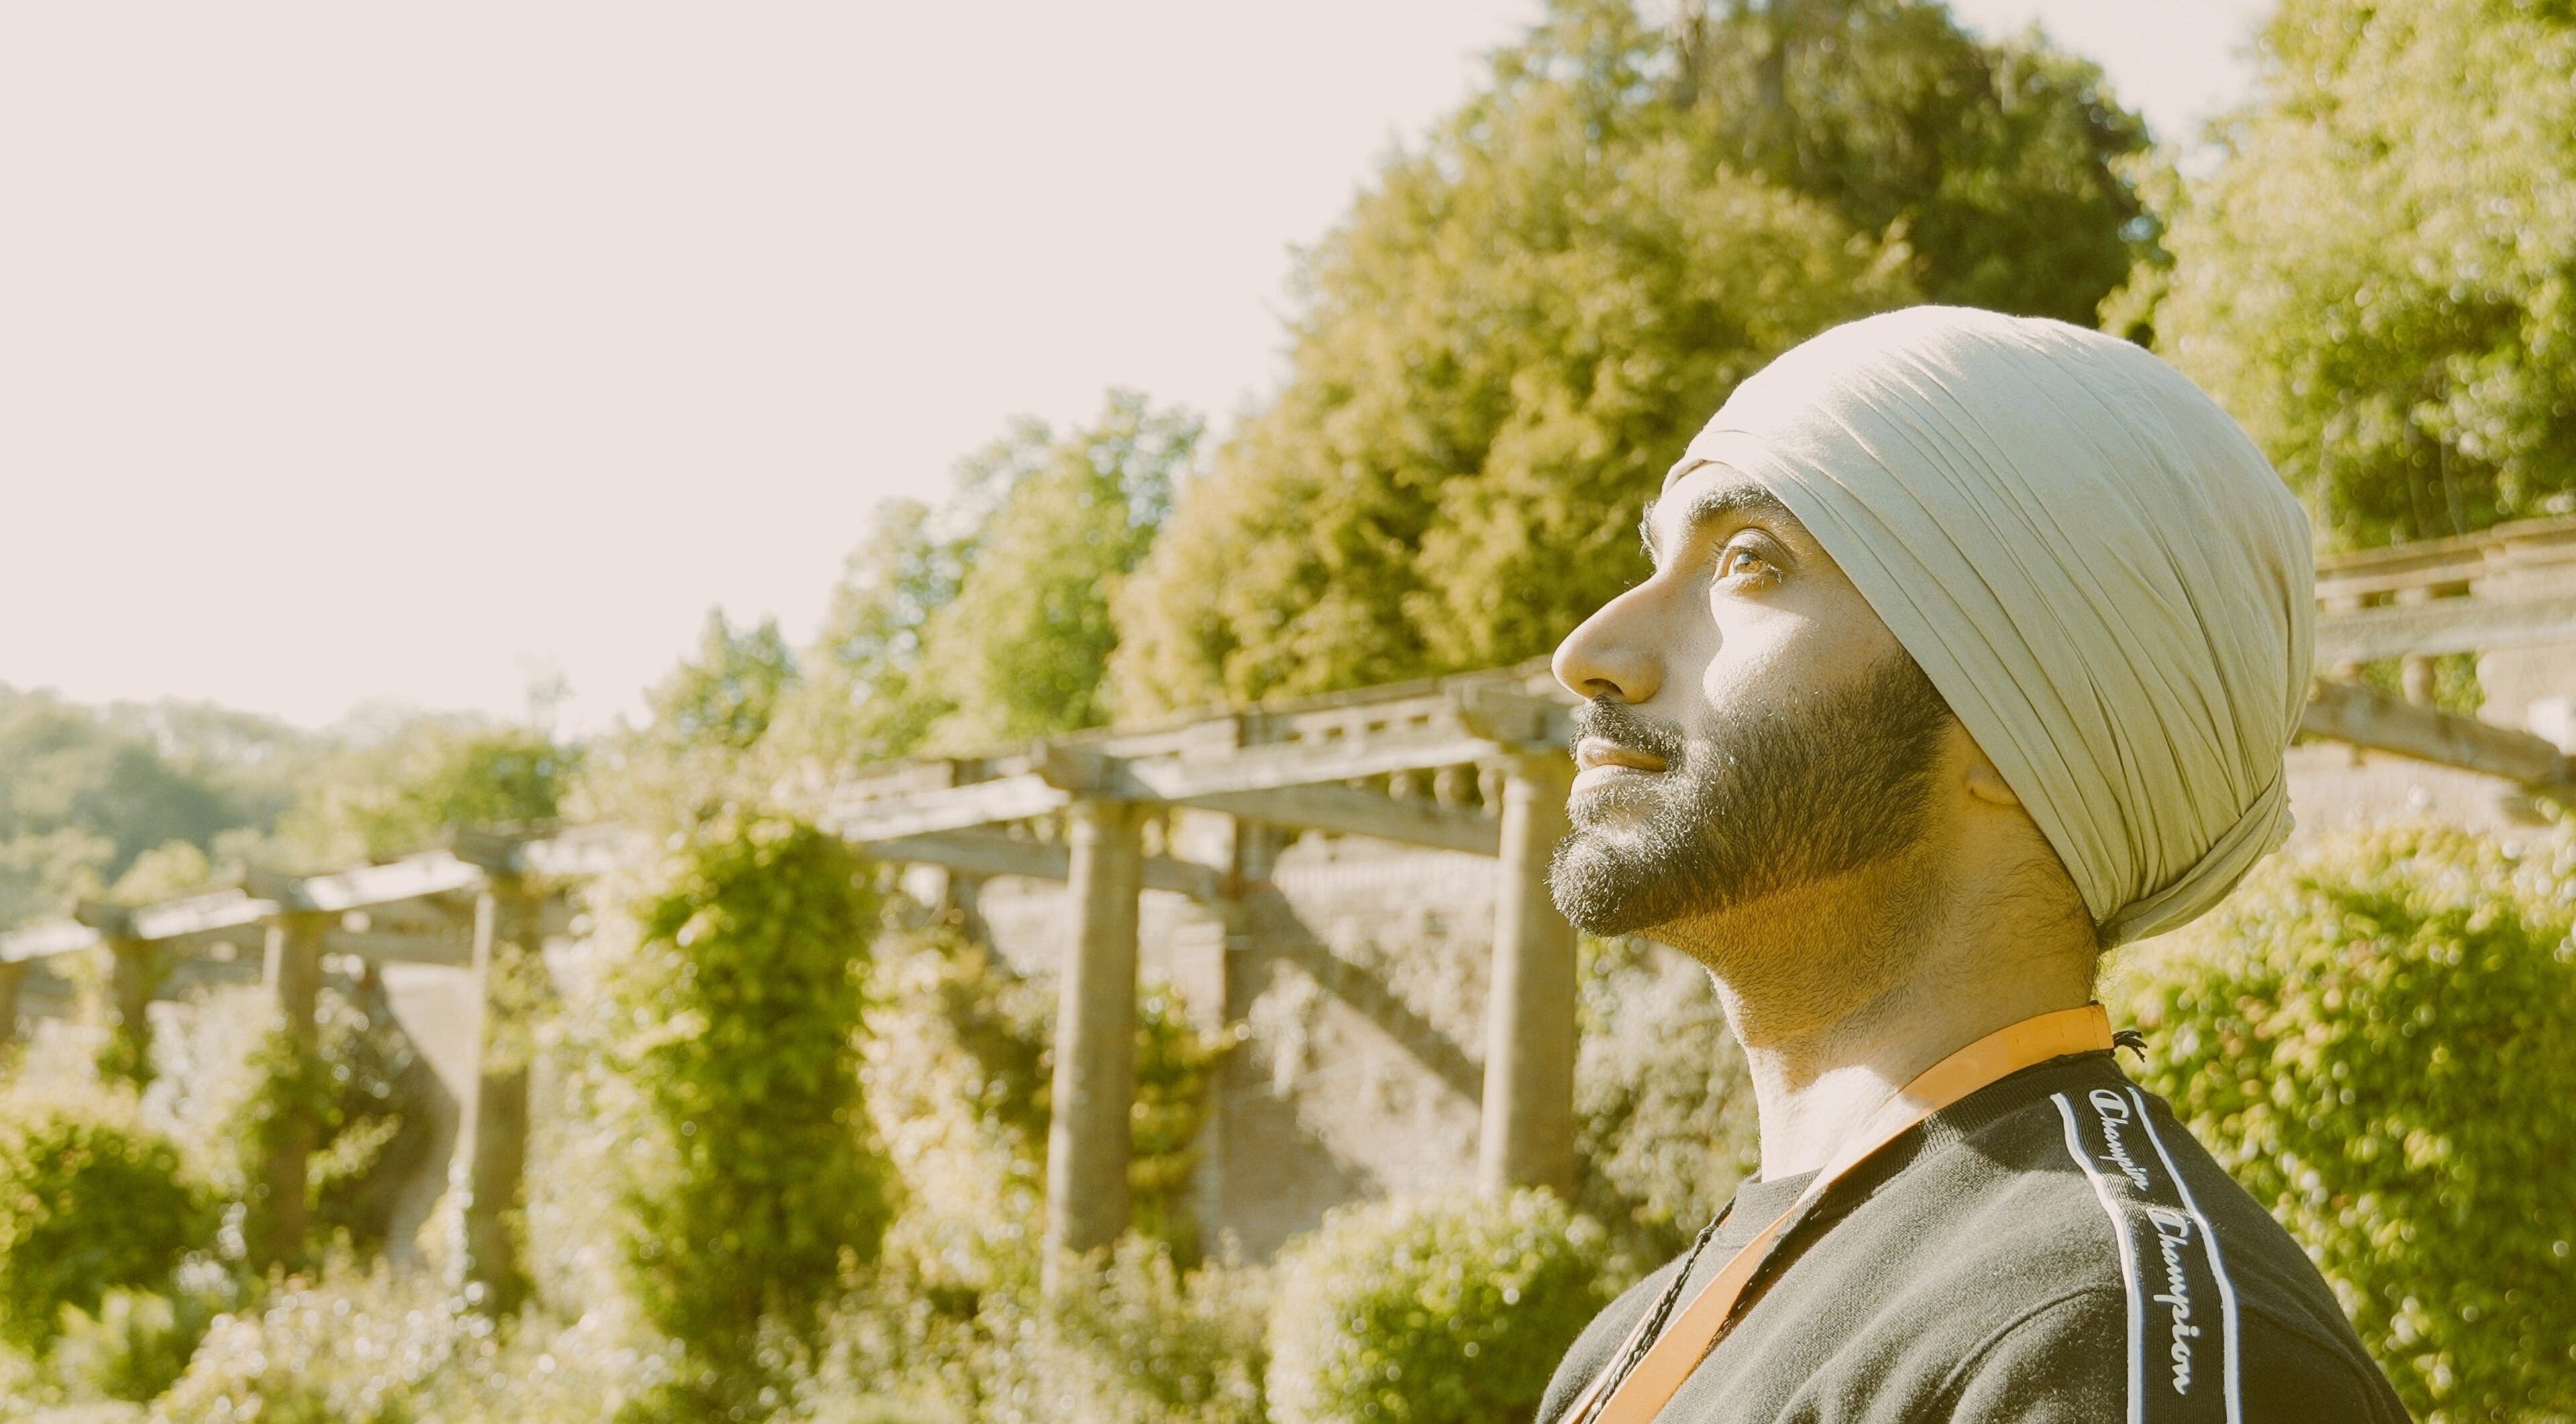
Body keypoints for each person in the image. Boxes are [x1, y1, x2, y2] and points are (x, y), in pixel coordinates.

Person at [1535, 307, 2410, 1423]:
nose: (1591, 652)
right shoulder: (1642, 1333)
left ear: (2013, 724)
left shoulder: (2100, 1342)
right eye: (1659, 560)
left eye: (1750, 561)